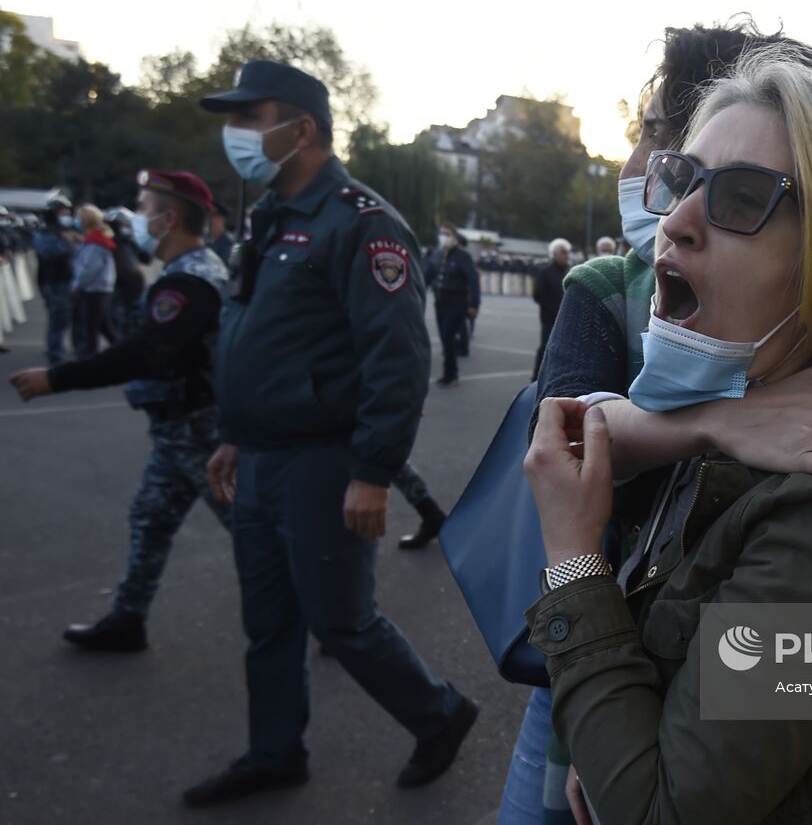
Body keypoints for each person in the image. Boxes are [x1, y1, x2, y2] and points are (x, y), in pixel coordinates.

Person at [524, 51, 812, 825]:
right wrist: (623, 736)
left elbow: (659, 812)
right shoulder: (748, 417)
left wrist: (573, 561)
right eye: (682, 180)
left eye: (740, 199)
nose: (675, 222)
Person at [188, 60, 474, 807]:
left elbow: (398, 359)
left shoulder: (360, 221)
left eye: (250, 118)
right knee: (269, 622)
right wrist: (232, 432)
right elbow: (257, 336)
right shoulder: (272, 216)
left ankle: (439, 713)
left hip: (322, 459)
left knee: (341, 622)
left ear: (301, 129)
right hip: (260, 455)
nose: (236, 134)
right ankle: (275, 751)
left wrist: (374, 471)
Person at [9, 170, 231, 650]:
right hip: (177, 432)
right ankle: (128, 619)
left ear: (169, 219)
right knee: (150, 520)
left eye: (144, 207)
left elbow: (149, 353)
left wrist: (57, 378)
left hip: (200, 434)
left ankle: (336, 618)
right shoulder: (186, 272)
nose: (135, 217)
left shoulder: (191, 281)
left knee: (258, 534)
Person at [431, 226, 480, 385]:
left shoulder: (463, 256)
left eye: (447, 234)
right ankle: (450, 371)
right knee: (445, 338)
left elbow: (473, 280)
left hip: (456, 302)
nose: (443, 237)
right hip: (440, 302)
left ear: (455, 237)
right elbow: (428, 274)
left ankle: (450, 373)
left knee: (447, 335)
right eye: (442, 234)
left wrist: (473, 303)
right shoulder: (438, 254)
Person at [33, 198, 78, 365]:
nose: (66, 215)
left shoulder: (64, 231)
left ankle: (61, 352)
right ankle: (55, 355)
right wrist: (67, 242)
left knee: (66, 319)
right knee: (58, 320)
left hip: (67, 280)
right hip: (55, 282)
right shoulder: (45, 233)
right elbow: (48, 252)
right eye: (62, 212)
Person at [71, 203, 119, 359]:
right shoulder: (99, 238)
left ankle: (89, 358)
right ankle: (122, 354)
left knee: (90, 328)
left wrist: (77, 286)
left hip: (95, 288)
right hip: (101, 287)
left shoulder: (95, 241)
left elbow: (90, 268)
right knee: (104, 326)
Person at [107, 208, 151, 340]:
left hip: (132, 283)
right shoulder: (110, 242)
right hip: (118, 283)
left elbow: (147, 258)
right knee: (119, 317)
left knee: (131, 317)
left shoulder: (130, 241)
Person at [531, 238, 570, 379]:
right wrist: (550, 308)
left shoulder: (570, 272)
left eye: (567, 252)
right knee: (545, 348)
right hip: (549, 319)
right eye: (563, 252)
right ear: (555, 254)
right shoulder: (545, 272)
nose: (567, 256)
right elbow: (537, 295)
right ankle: (536, 377)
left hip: (566, 319)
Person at [208, 200, 235, 264]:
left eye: (213, 216)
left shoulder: (228, 244)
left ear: (222, 219)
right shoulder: (205, 241)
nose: (210, 220)